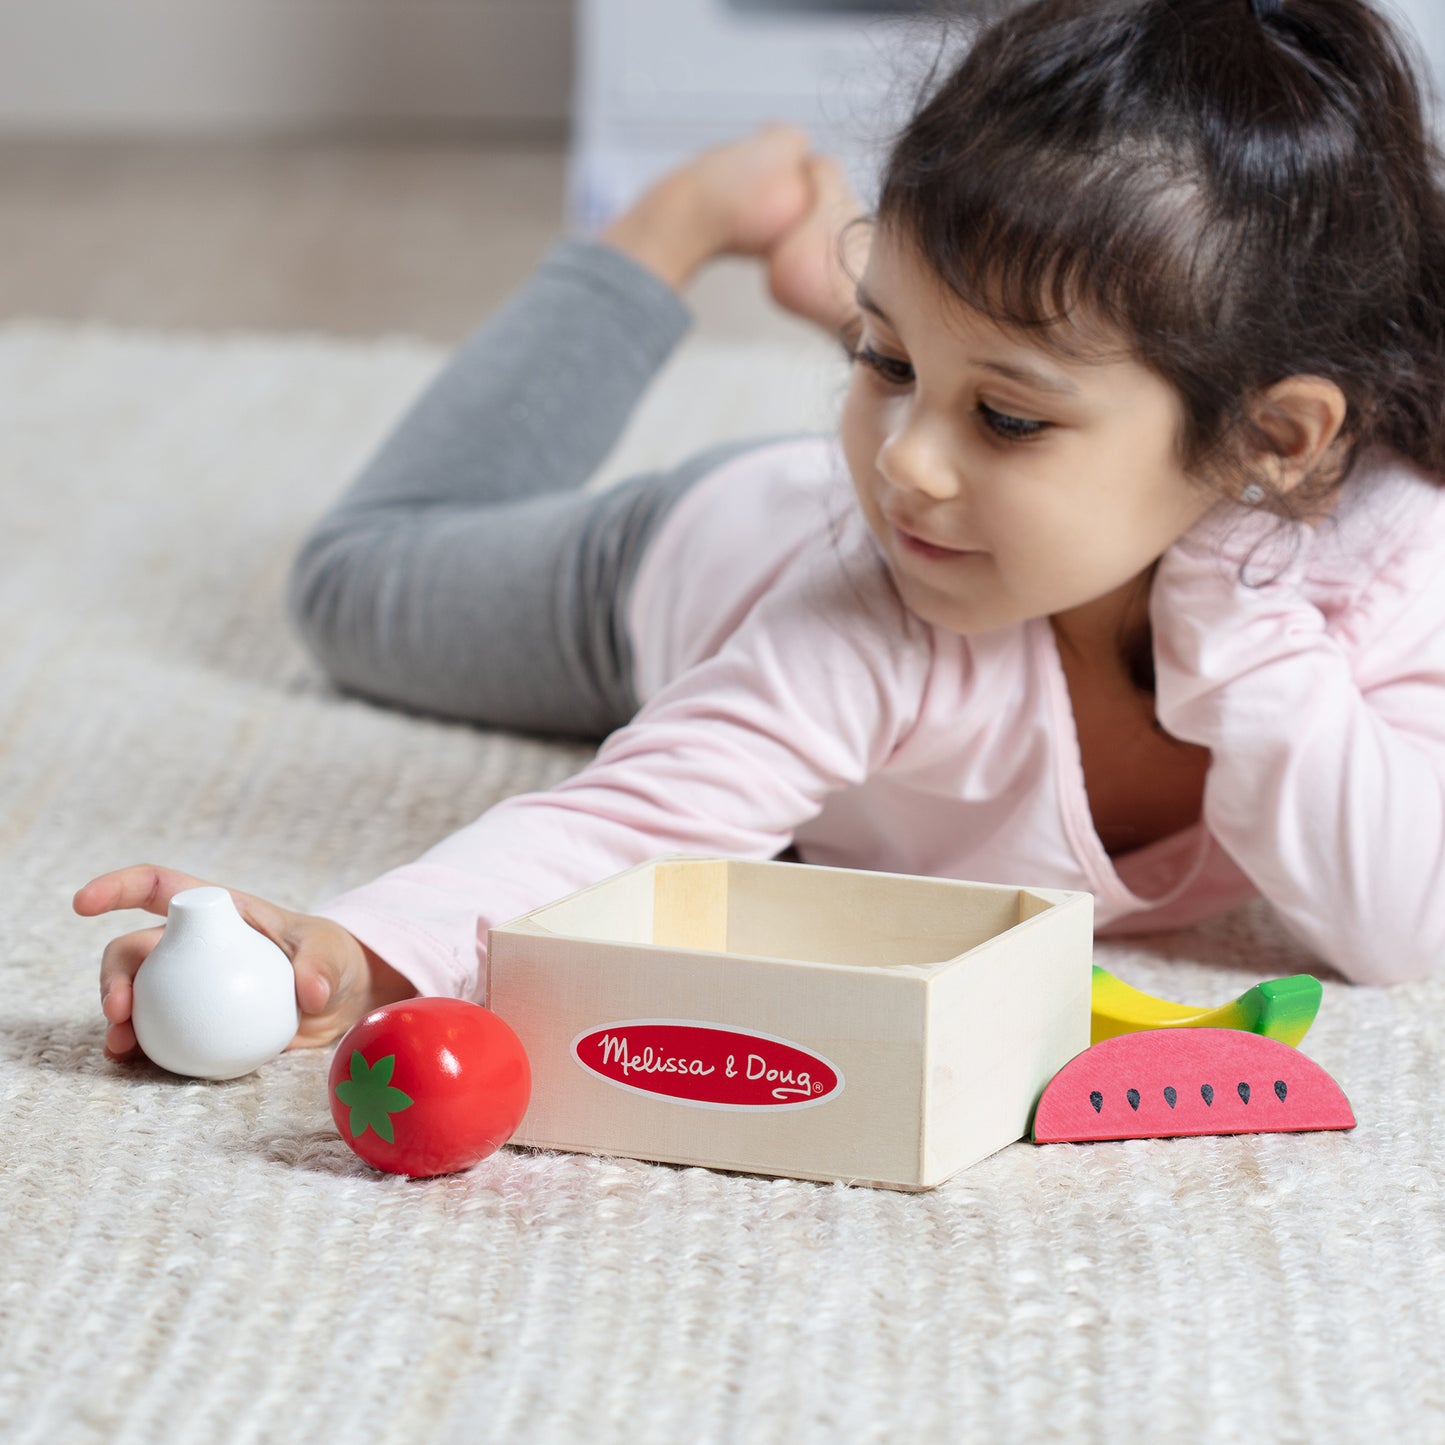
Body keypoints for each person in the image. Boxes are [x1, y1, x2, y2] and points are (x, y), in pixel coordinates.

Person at [79, 0, 1445, 1064]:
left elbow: (1392, 921)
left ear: (1273, 444)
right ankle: (677, 228)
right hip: (688, 558)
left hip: (1125, 512)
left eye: (1007, 416)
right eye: (880, 358)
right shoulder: (869, 602)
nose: (903, 461)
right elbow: (628, 827)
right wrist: (354, 953)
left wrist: (1237, 613)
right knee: (353, 587)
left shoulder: (1379, 563)